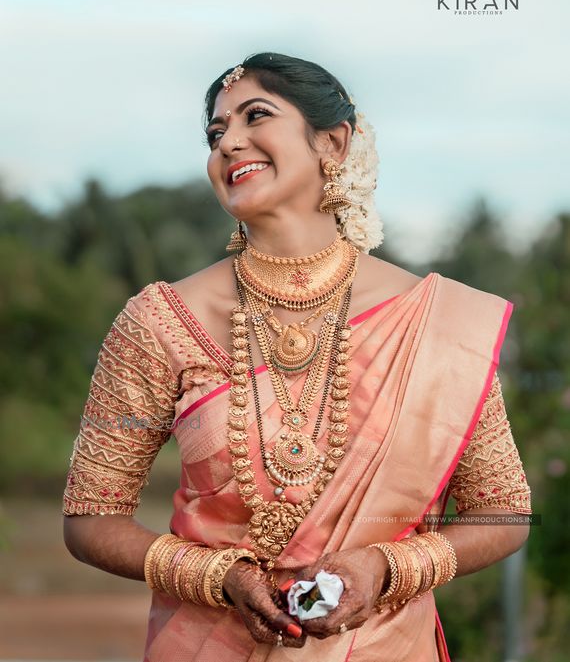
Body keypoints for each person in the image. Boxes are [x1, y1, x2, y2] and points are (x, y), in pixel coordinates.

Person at [62, 52, 532, 661]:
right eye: (215, 132)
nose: (229, 142)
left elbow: (503, 514)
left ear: (331, 143)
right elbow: (90, 520)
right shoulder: (159, 322)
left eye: (255, 115)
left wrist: (387, 569)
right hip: (209, 645)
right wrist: (217, 578)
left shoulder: (434, 322)